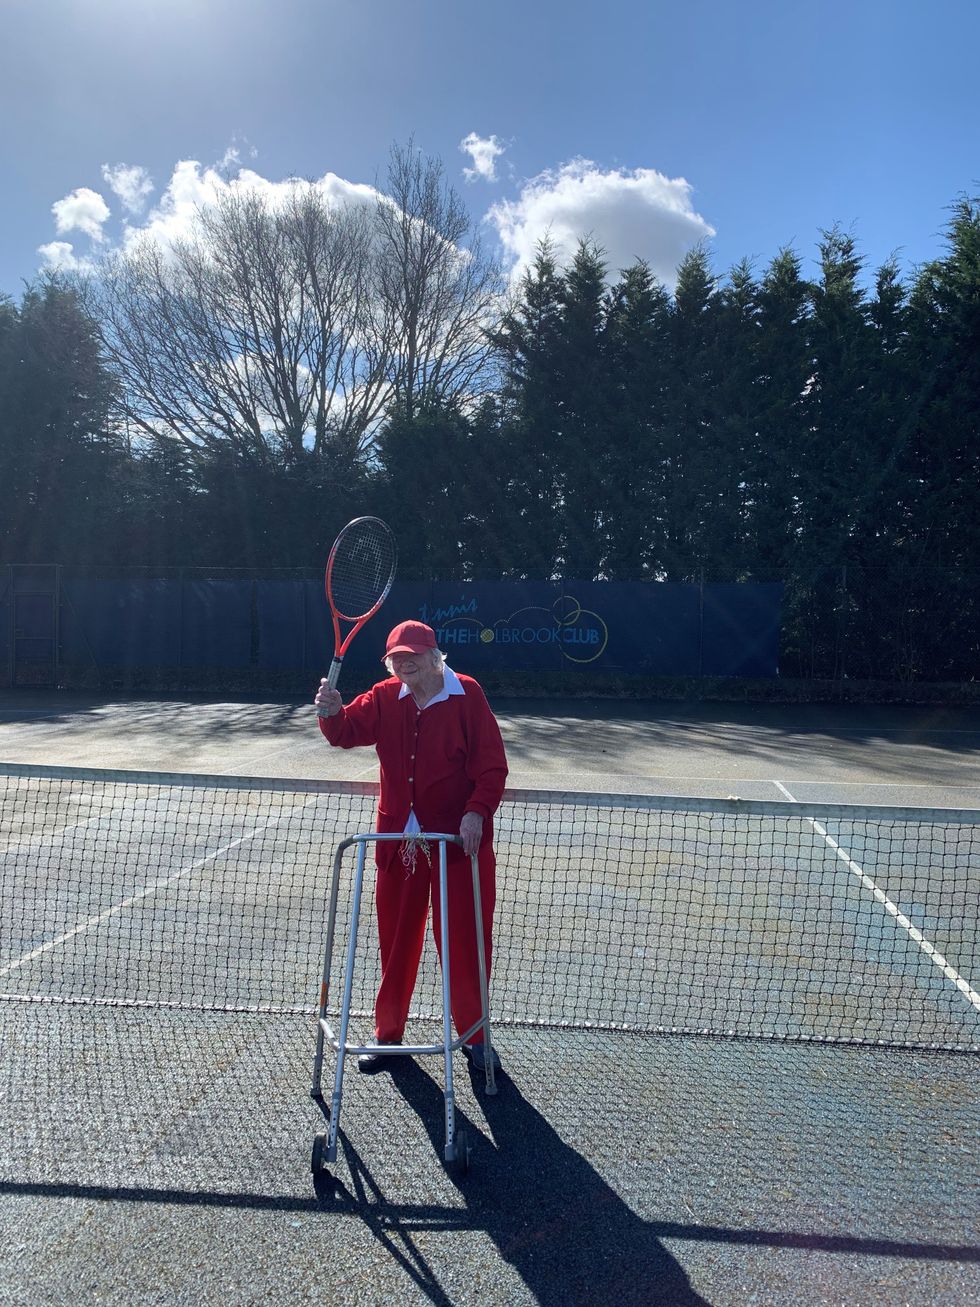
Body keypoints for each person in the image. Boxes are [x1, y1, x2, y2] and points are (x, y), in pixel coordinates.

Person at [314, 619, 508, 1075]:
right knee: (394, 942)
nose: (406, 665)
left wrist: (476, 811)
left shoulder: (468, 695)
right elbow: (344, 732)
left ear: (435, 657)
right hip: (398, 843)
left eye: (414, 657)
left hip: (459, 846)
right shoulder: (385, 695)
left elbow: (492, 767)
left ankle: (476, 1038)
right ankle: (386, 1034)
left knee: (465, 943)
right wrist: (330, 711)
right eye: (397, 658)